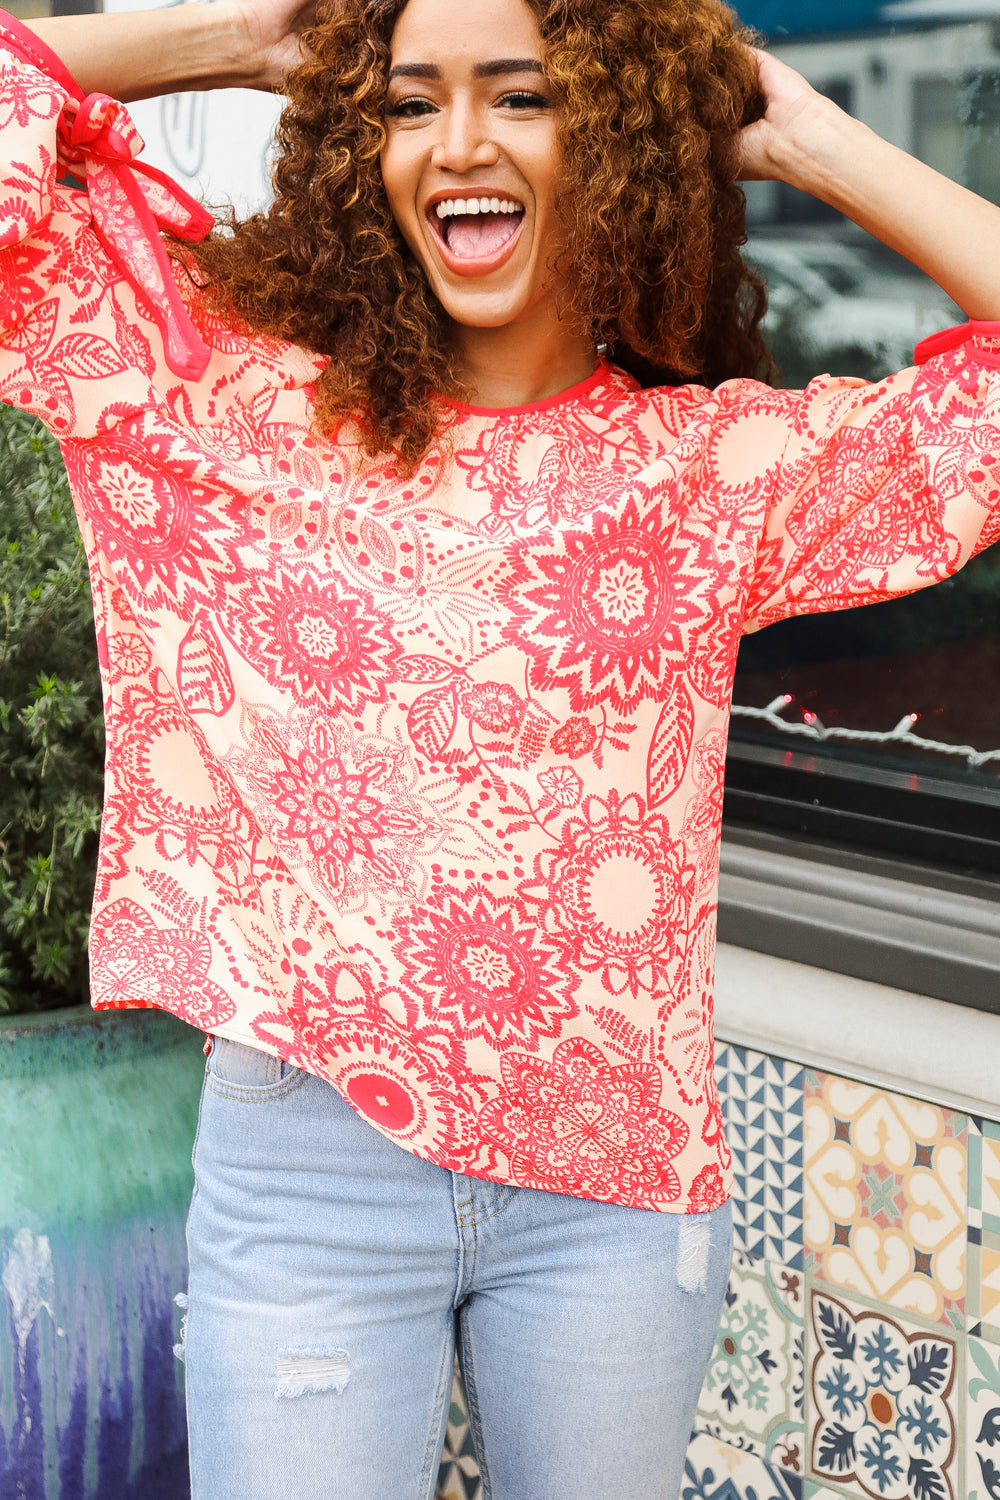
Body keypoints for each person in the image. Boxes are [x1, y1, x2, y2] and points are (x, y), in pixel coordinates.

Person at [1, 0, 999, 1495]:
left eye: (520, 95)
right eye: (410, 104)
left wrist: (811, 140)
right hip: (310, 1172)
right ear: (361, 145)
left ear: (614, 132)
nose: (458, 145)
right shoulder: (217, 404)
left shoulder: (703, 478)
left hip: (616, 1196)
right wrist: (246, 35)